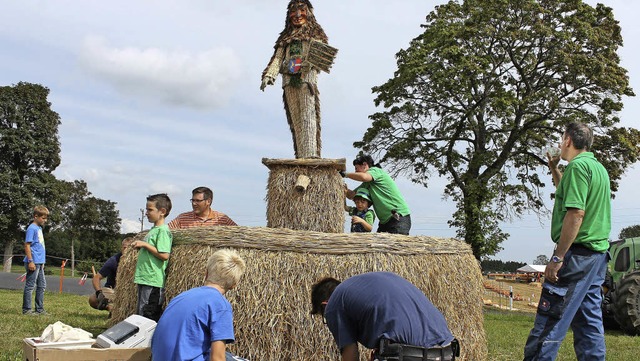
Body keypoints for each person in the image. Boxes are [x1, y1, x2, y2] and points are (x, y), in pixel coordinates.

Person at [523, 122, 611, 361]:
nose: (561, 143)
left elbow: (575, 214)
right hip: (597, 257)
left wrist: (557, 257)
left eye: (562, 138)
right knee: (588, 322)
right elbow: (569, 193)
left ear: (568, 141)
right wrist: (554, 169)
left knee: (550, 320)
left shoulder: (578, 168)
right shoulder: (597, 168)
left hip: (577, 258)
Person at [311, 272, 458, 361]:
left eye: (325, 318)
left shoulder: (334, 303)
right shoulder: (377, 281)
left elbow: (350, 355)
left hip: (407, 356)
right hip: (446, 351)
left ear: (325, 305)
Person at [260, 0, 336, 159]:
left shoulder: (314, 35)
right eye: (293, 11)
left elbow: (321, 56)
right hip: (288, 81)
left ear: (309, 12)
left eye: (301, 10)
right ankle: (301, 155)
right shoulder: (285, 38)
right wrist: (269, 75)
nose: (297, 15)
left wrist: (307, 65)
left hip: (306, 80)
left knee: (308, 117)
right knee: (296, 120)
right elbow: (277, 58)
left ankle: (310, 155)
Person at [151, 249, 248, 361]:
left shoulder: (182, 296)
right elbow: (217, 358)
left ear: (206, 273)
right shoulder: (220, 306)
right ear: (233, 285)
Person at [342, 155, 411, 234]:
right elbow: (352, 195)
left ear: (364, 165)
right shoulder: (367, 184)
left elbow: (364, 177)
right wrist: (342, 188)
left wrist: (345, 174)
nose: (356, 172)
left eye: (357, 169)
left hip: (398, 217)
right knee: (378, 244)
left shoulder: (376, 171)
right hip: (384, 221)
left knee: (395, 244)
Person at [133, 193, 173, 322]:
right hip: (145, 278)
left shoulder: (163, 231)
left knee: (147, 315)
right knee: (140, 313)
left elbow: (164, 255)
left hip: (153, 280)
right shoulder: (154, 230)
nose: (146, 213)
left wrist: (144, 244)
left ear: (162, 211)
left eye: (150, 209)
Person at [88, 237, 133, 312]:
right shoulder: (113, 260)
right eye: (124, 248)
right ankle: (110, 308)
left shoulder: (137, 262)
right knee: (93, 299)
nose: (126, 251)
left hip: (129, 292)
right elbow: (96, 278)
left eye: (129, 248)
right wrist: (99, 293)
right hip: (112, 290)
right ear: (121, 248)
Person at [22, 205, 49, 315]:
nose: (45, 220)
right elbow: (27, 246)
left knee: (42, 286)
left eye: (46, 218)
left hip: (39, 262)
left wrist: (42, 262)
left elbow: (39, 246)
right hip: (33, 262)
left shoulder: (39, 228)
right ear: (35, 216)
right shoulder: (31, 228)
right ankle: (26, 309)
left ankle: (39, 309)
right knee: (30, 286)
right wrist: (30, 261)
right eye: (43, 218)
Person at [168, 186, 236, 229]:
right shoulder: (182, 218)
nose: (194, 203)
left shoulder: (222, 219)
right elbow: (165, 231)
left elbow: (239, 233)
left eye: (198, 201)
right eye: (193, 200)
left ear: (208, 201)